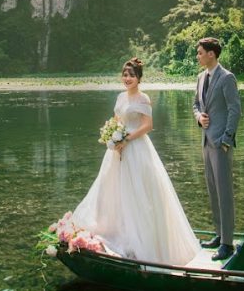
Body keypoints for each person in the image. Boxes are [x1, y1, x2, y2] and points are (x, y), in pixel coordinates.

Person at [68, 58, 200, 265]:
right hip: (117, 149)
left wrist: (126, 139)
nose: (127, 78)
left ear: (139, 78)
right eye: (125, 75)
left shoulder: (143, 98)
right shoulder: (120, 97)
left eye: (131, 75)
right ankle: (117, 232)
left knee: (138, 193)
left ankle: (142, 242)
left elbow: (148, 125)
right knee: (112, 191)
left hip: (137, 149)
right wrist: (111, 135)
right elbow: (116, 120)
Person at [193, 37, 241, 261]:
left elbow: (235, 110)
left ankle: (227, 244)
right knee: (213, 192)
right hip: (205, 142)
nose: (198, 56)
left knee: (224, 194)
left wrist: (226, 140)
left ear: (211, 54)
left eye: (200, 52)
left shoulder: (227, 77)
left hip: (220, 144)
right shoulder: (201, 77)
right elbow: (196, 105)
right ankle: (219, 234)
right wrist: (198, 117)